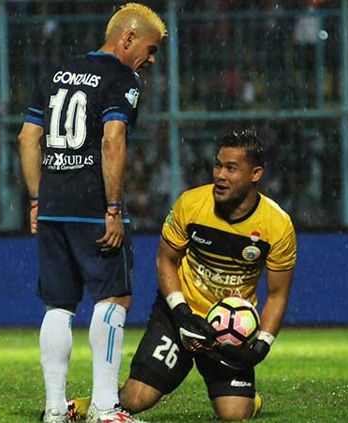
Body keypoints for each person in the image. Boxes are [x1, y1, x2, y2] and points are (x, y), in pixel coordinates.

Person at [72, 129, 297, 421]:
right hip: (178, 315)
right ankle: (93, 401)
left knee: (234, 415)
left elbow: (278, 294)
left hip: (230, 328)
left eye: (231, 168)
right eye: (218, 165)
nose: (220, 175)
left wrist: (261, 346)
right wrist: (180, 312)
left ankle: (248, 400)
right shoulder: (191, 205)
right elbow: (165, 260)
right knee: (136, 398)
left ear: (255, 174)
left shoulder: (277, 225)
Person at [16, 4, 166, 423]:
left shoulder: (55, 73)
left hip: (52, 205)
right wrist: (113, 208)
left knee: (59, 306)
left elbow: (27, 138)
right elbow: (112, 140)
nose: (150, 61)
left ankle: (53, 409)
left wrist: (35, 199)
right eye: (150, 50)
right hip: (92, 205)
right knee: (114, 297)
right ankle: (105, 405)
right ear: (128, 38)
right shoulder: (123, 79)